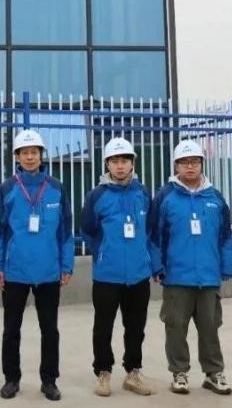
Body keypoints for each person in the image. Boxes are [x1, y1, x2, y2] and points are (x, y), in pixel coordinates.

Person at [0, 129, 74, 402]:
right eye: (24, 153)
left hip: (49, 272)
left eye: (34, 152)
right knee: (11, 329)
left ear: (41, 155)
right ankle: (11, 379)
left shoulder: (56, 187)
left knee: (50, 330)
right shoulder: (7, 188)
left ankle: (49, 380)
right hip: (15, 271)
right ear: (17, 157)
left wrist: (67, 265)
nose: (29, 157)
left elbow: (66, 230)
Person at [149, 140, 232, 396]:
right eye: (184, 162)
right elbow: (154, 235)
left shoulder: (215, 197)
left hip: (208, 276)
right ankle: (179, 373)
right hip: (177, 276)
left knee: (210, 327)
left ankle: (213, 373)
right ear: (176, 166)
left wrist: (226, 265)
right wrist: (158, 266)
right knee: (175, 326)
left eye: (195, 161)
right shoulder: (165, 196)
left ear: (201, 164)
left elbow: (226, 236)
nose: (190, 166)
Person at [80, 137, 159, 397]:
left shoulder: (143, 193)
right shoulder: (97, 195)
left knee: (136, 328)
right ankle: (103, 372)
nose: (120, 166)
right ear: (107, 165)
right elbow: (88, 229)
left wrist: (147, 260)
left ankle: (133, 372)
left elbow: (150, 229)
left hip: (138, 274)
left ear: (132, 163)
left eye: (125, 160)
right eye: (114, 161)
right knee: (103, 327)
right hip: (107, 274)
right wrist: (104, 252)